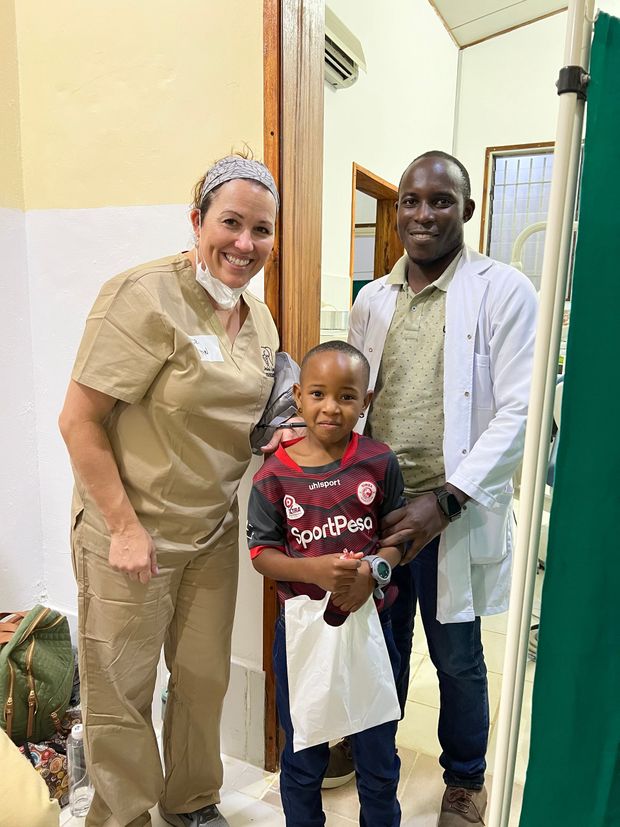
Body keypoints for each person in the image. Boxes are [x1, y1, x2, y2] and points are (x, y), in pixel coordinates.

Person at [59, 154, 294, 827]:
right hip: (130, 530)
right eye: (230, 223)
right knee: (121, 690)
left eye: (261, 230)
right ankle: (126, 813)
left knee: (203, 679)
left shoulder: (259, 317)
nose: (245, 244)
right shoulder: (142, 296)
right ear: (197, 221)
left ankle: (191, 801)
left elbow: (247, 420)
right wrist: (125, 528)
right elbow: (79, 421)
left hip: (210, 530)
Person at [325, 151, 537, 826]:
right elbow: (356, 398)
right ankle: (370, 751)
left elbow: (522, 408)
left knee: (456, 657)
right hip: (379, 510)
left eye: (441, 201)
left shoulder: (504, 291)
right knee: (376, 646)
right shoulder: (372, 300)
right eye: (411, 201)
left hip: (452, 511)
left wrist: (445, 499)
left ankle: (464, 780)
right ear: (398, 214)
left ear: (467, 211)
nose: (423, 213)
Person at [248, 341, 406, 827]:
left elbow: (398, 538)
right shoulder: (273, 476)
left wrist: (373, 573)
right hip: (302, 638)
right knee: (303, 754)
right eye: (317, 393)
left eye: (346, 396)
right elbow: (262, 555)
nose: (331, 408)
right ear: (298, 396)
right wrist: (313, 571)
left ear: (367, 401)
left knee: (377, 755)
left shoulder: (379, 462)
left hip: (372, 630)